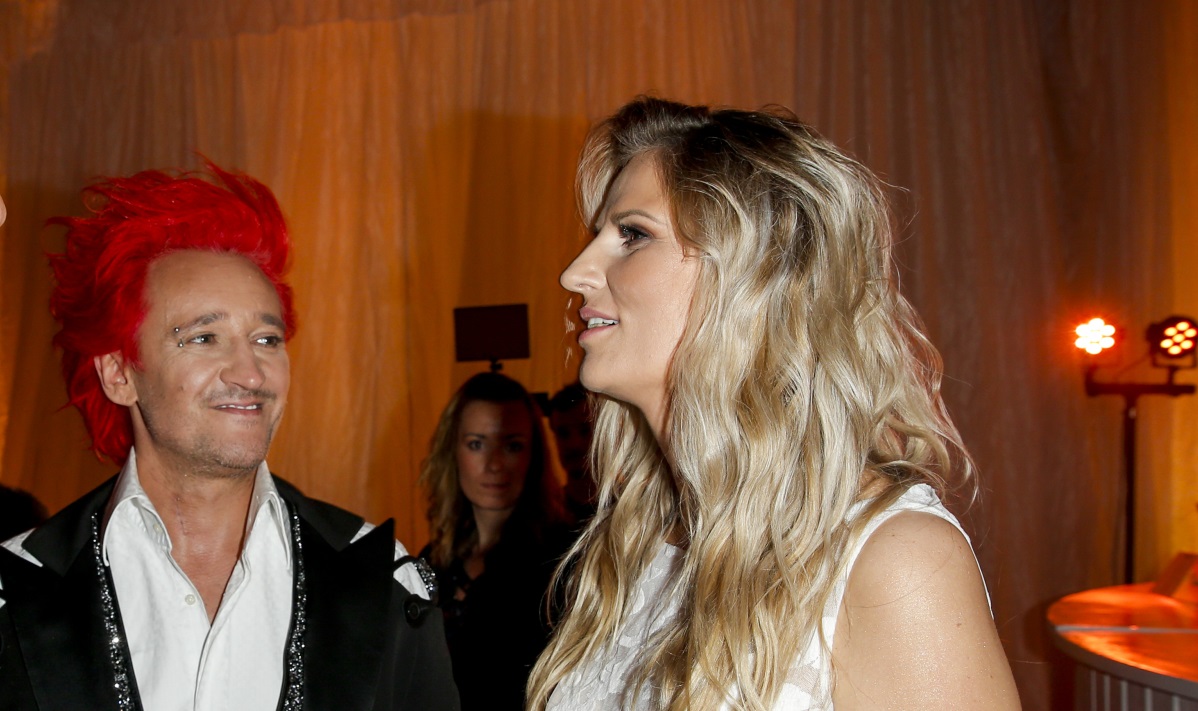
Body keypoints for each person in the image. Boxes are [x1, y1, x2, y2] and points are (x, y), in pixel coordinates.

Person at [528, 98, 1021, 710]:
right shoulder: (645, 540)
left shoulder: (894, 560)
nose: (575, 273)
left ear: (758, 276)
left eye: (633, 234)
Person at [0, 165, 459, 710]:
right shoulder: (17, 592)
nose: (250, 373)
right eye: (204, 337)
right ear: (119, 373)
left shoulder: (384, 582)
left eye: (267, 339)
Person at [419, 372, 572, 711]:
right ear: (452, 451)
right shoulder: (434, 560)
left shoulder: (562, 560)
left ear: (533, 456)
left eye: (512, 445)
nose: (494, 465)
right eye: (476, 444)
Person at [546, 383, 596, 524]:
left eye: (585, 431)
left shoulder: (633, 509)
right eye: (563, 433)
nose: (574, 444)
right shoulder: (546, 515)